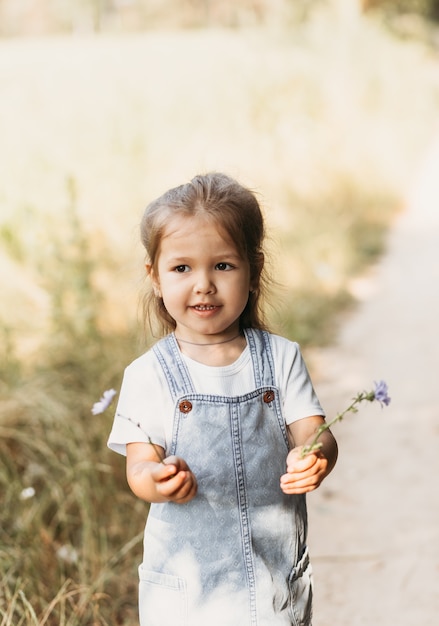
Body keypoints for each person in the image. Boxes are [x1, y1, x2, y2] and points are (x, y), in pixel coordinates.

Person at [108, 172, 338, 626]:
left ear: (253, 271)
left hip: (272, 578)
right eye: (182, 268)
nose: (203, 284)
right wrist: (158, 478)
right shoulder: (147, 375)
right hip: (187, 588)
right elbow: (138, 468)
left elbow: (315, 434)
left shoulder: (281, 358)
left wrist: (314, 456)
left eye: (223, 266)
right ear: (154, 277)